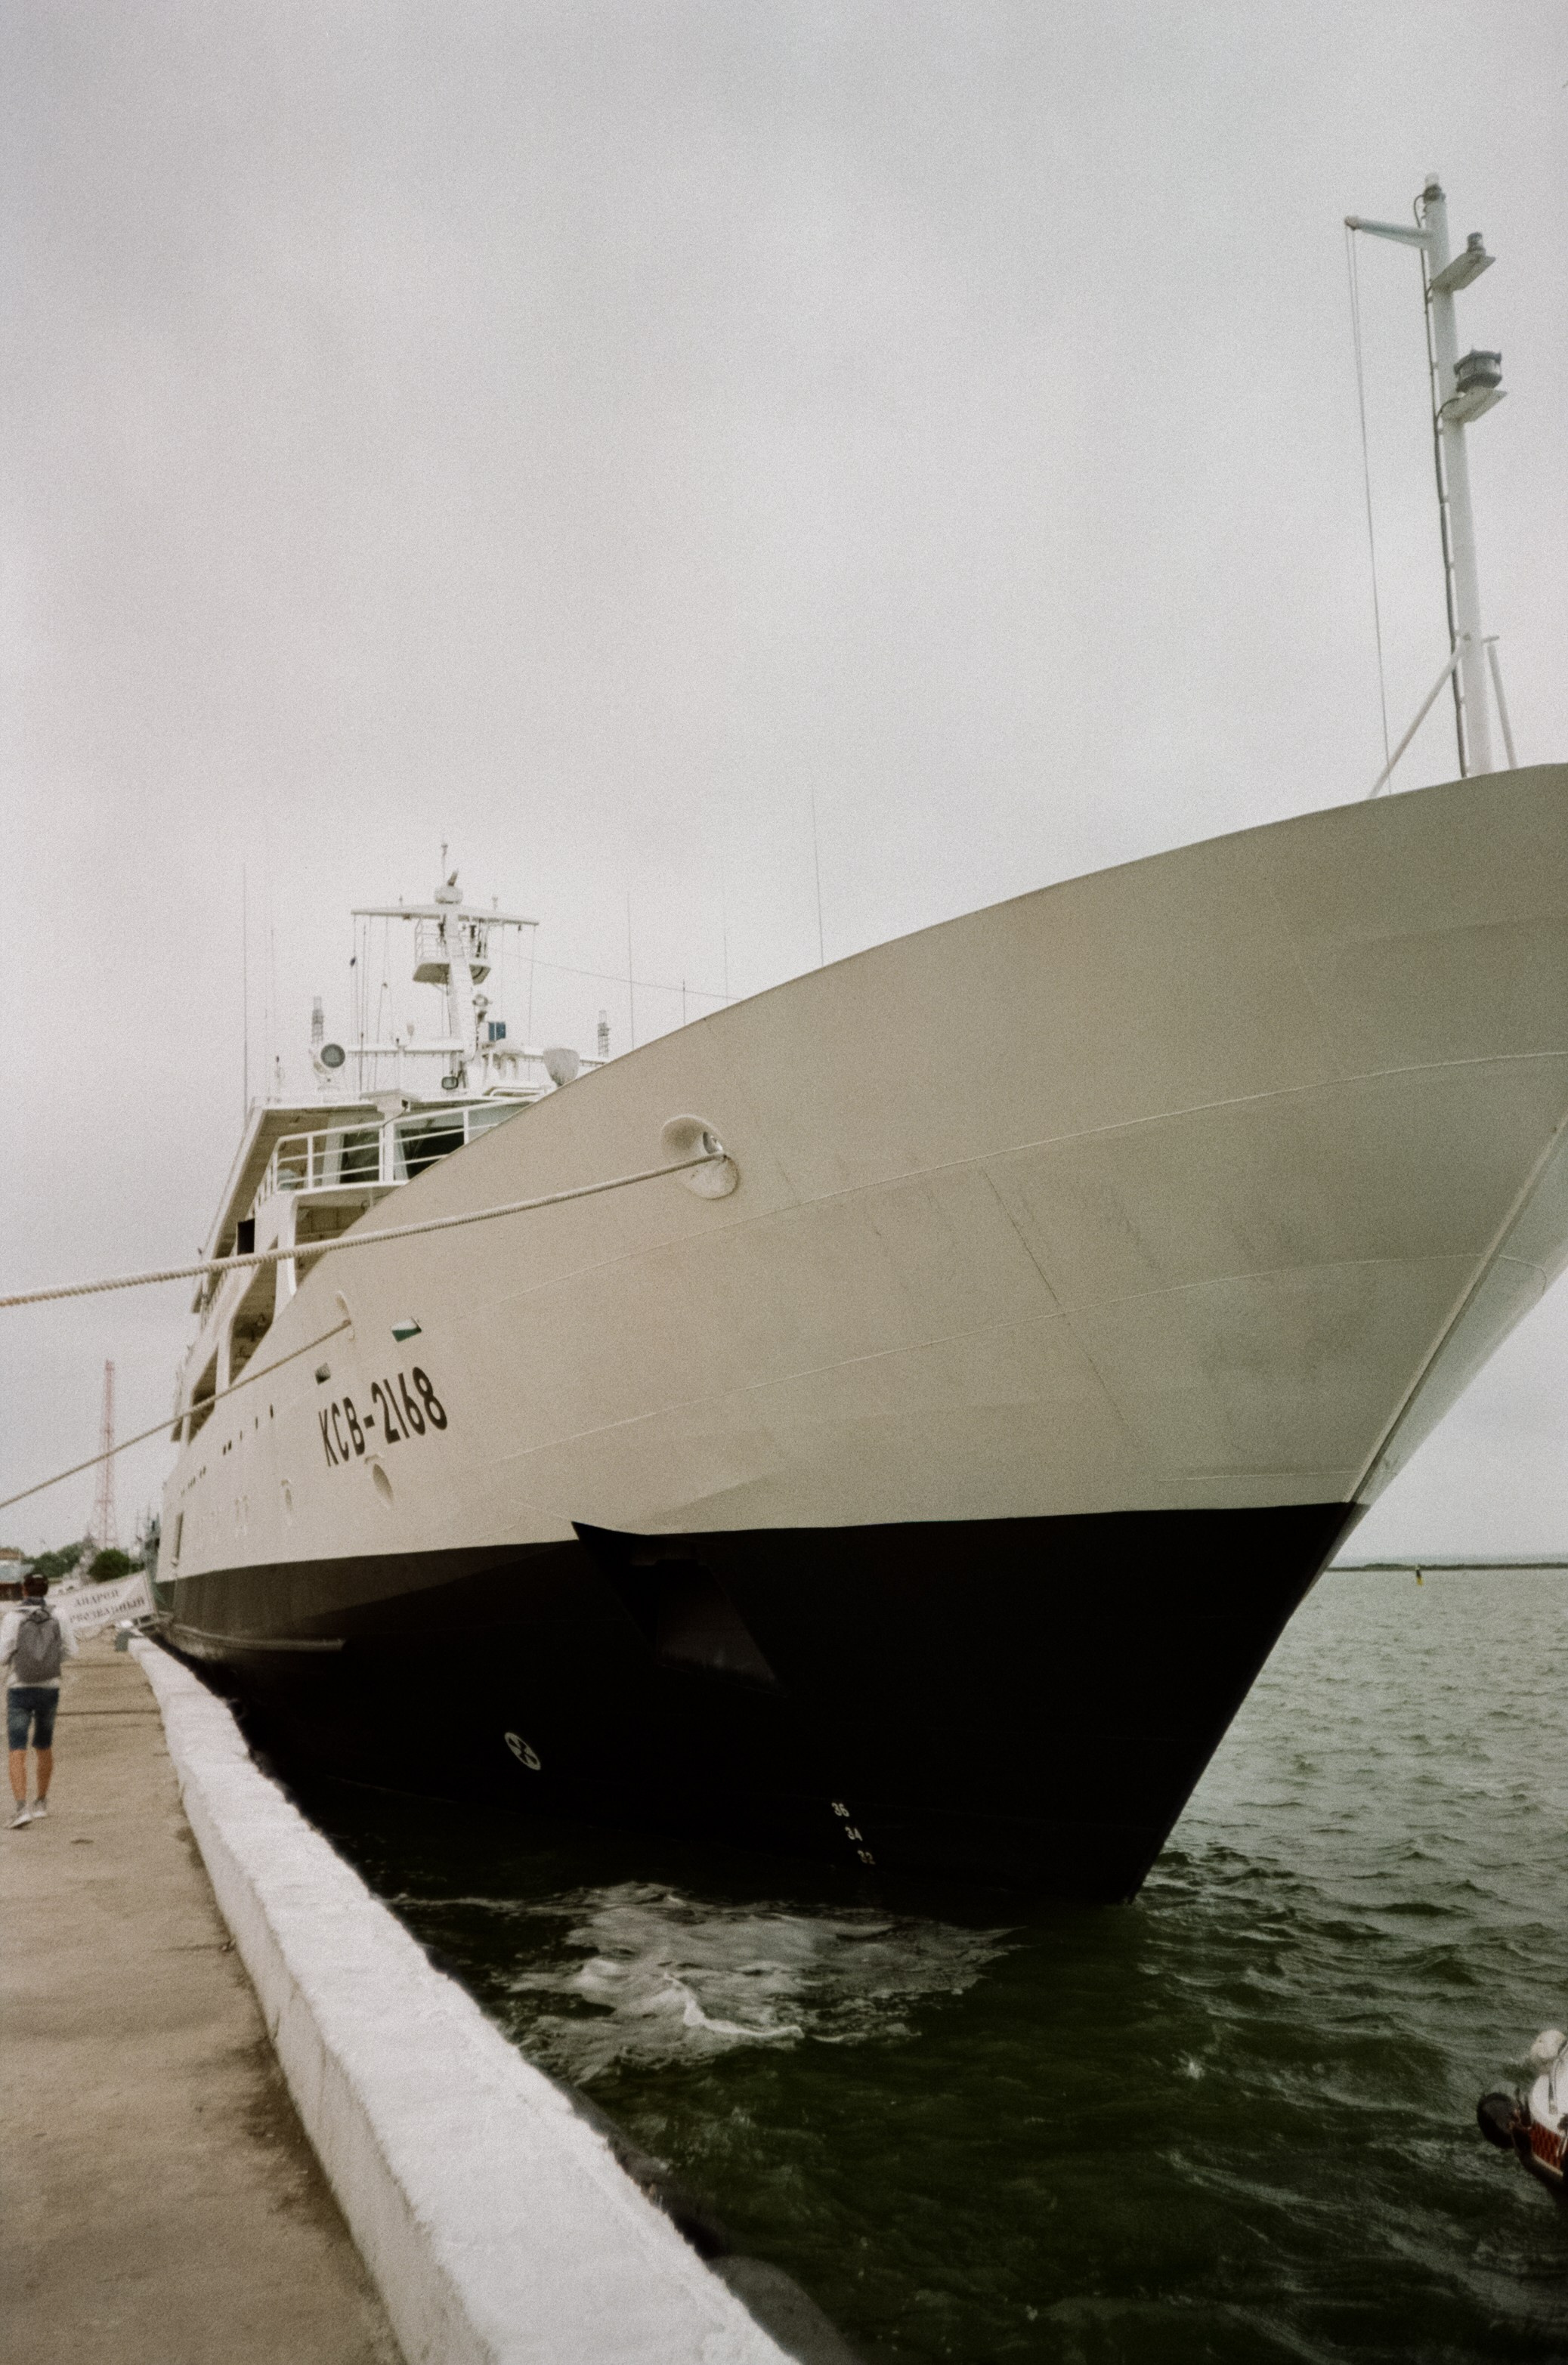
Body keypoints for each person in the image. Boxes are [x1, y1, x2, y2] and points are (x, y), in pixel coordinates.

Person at [2, 1572, 79, 1826]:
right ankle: (42, 1803)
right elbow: (71, 1651)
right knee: (44, 1745)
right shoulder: (60, 1614)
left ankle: (22, 1808)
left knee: (17, 1748)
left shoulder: (13, 1617)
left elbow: (2, 1654)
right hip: (50, 1688)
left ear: (24, 1590)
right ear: (47, 1590)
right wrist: (47, 1663)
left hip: (19, 1688)